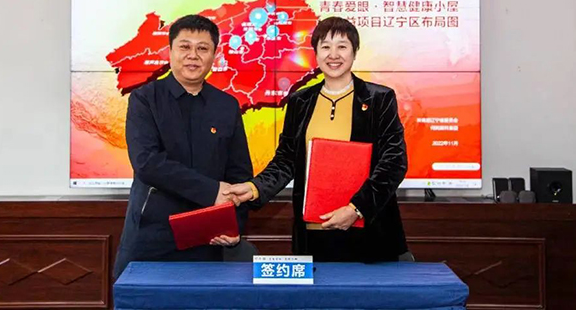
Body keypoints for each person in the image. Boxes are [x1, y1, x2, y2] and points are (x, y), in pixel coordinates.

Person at [226, 17, 411, 262]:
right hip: (314, 233)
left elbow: (394, 162)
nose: (333, 54)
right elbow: (286, 160)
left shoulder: (379, 99)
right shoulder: (300, 101)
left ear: (355, 52)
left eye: (342, 46)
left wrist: (356, 209)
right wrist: (254, 188)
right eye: (325, 47)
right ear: (316, 53)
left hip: (368, 230)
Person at [114, 15, 253, 279]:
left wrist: (234, 225)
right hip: (152, 237)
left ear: (214, 55)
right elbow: (147, 163)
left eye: (203, 48)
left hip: (208, 238)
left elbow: (239, 173)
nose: (193, 56)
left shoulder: (226, 105)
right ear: (170, 51)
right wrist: (211, 191)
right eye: (185, 47)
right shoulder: (145, 99)